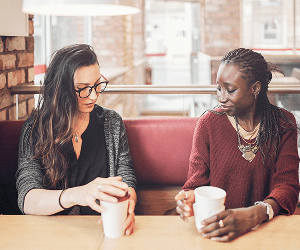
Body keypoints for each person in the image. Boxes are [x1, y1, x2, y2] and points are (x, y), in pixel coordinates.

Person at [175, 48, 300, 242]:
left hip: (268, 234)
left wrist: (254, 215)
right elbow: (195, 185)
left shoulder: (284, 123)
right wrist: (189, 199)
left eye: (230, 90)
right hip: (217, 234)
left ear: (255, 88)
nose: (222, 97)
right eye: (218, 88)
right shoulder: (208, 123)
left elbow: (288, 187)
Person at [16, 44, 137, 235]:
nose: (94, 95)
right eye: (82, 89)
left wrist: (129, 203)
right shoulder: (35, 129)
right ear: (60, 89)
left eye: (97, 84)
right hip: (50, 237)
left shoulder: (112, 123)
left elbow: (126, 177)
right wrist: (76, 194)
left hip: (102, 233)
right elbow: (28, 199)